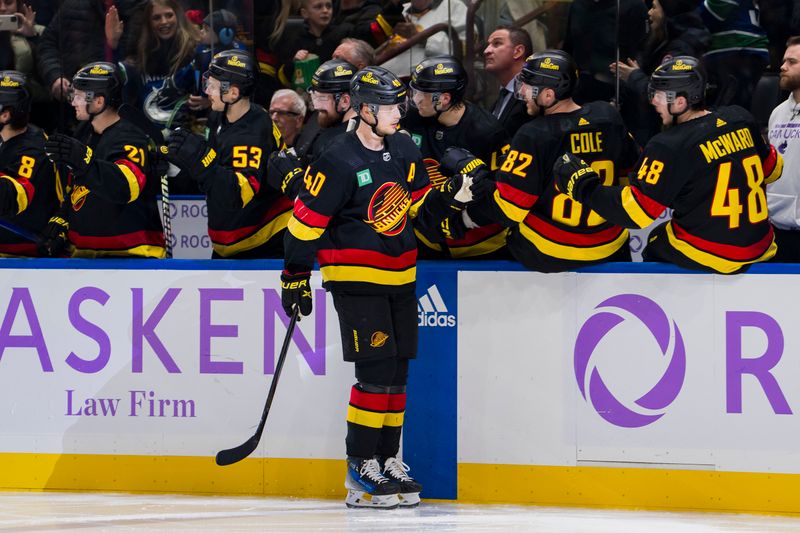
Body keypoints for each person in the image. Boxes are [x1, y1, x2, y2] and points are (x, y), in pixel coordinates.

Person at [279, 65, 475, 508]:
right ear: (365, 110)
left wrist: (455, 199)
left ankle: (387, 460)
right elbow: (305, 224)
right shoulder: (336, 157)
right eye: (389, 106)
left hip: (402, 277)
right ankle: (359, 465)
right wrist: (294, 276)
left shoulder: (404, 147)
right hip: (356, 281)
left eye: (399, 103)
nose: (398, 112)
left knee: (396, 372)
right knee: (373, 373)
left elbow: (421, 209)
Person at [554, 56, 783, 274]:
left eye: (660, 95)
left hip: (713, 253)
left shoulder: (668, 145)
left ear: (681, 101)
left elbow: (635, 213)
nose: (653, 101)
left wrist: (584, 186)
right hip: (760, 244)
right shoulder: (740, 117)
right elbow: (774, 170)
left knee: (655, 240)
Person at [456, 50, 639, 272]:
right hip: (609, 246)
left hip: (548, 252)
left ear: (549, 96)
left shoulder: (533, 134)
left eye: (528, 87)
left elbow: (510, 208)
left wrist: (466, 217)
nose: (521, 93)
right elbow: (631, 175)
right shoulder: (608, 116)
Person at [167, 50, 291, 258]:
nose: (207, 91)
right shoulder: (221, 117)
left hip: (264, 241)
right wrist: (176, 168)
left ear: (233, 93)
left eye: (213, 87)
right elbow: (212, 175)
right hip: (231, 241)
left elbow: (237, 193)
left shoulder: (253, 132)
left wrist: (199, 159)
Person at [41, 61, 166, 258]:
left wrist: (84, 162)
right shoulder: (85, 132)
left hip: (131, 256)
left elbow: (126, 186)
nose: (73, 102)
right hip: (85, 254)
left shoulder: (130, 136)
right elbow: (75, 187)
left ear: (99, 101)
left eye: (79, 96)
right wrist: (63, 219)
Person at [402, 54, 511, 259]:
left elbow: (504, 193)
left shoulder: (487, 131)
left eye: (421, 94)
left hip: (480, 244)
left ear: (444, 99)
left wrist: (463, 220)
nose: (415, 100)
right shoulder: (412, 118)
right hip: (428, 238)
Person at [609, 0, 710, 145]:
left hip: (669, 133)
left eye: (654, 7)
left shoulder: (680, 49)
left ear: (668, 13)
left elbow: (668, 94)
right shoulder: (663, 40)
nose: (649, 12)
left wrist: (633, 76)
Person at [0, 71, 59, 256]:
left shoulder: (34, 149)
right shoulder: (6, 138)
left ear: (5, 115)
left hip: (24, 257)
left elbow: (13, 198)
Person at [125, 0, 199, 130]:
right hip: (149, 137)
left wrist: (207, 100)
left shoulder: (195, 50)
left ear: (178, 16)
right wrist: (112, 44)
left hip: (188, 135)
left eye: (169, 15)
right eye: (156, 18)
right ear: (149, 23)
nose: (164, 22)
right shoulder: (140, 56)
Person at [766, 36, 800, 261]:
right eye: (783, 60)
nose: (782, 66)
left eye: (791, 62)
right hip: (775, 231)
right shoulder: (777, 113)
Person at [701, 0, 769, 108]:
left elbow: (716, 9)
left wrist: (684, 16)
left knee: (730, 114)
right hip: (737, 51)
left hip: (738, 51)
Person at [381, 0, 470, 78]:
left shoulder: (454, 7)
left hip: (423, 85)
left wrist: (420, 37)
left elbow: (463, 51)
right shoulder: (401, 9)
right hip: (382, 80)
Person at [292, 58, 357, 163]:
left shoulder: (332, 143)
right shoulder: (372, 125)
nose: (316, 107)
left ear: (345, 101)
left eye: (322, 98)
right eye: (314, 96)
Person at [484, 26, 533, 138]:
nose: (486, 51)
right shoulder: (502, 97)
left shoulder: (533, 97)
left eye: (497, 44)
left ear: (518, 51)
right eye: (488, 45)